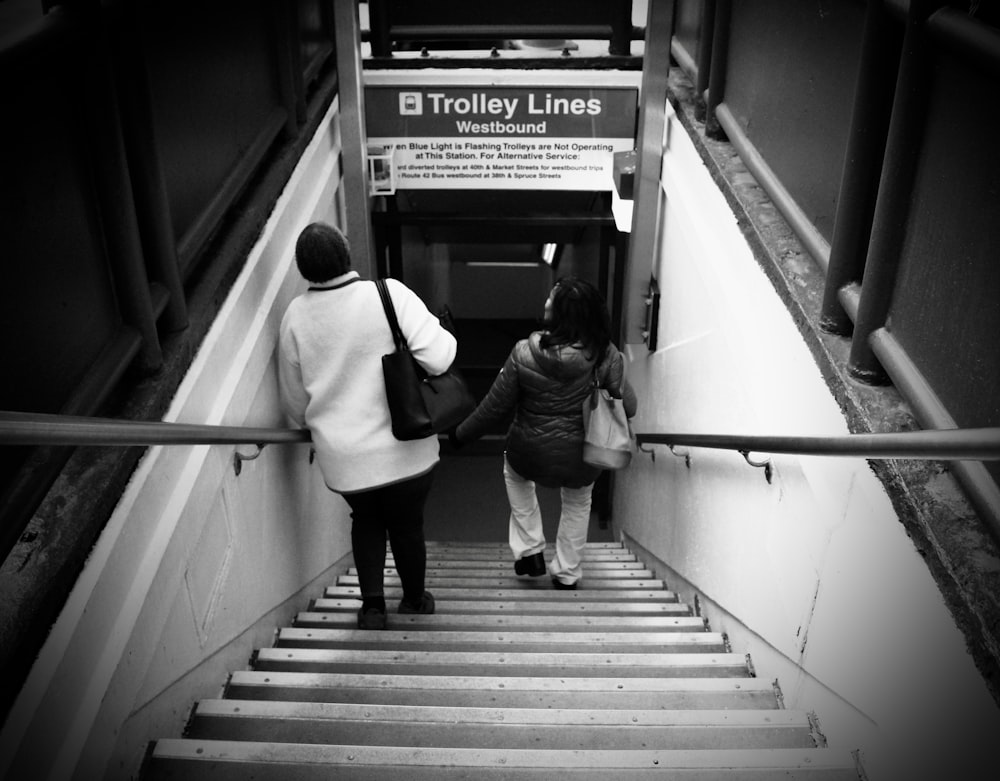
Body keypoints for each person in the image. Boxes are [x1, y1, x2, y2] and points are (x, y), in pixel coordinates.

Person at [277, 221, 457, 629]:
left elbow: (293, 403)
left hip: (345, 459)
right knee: (408, 523)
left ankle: (373, 607)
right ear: (347, 253)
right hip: (406, 447)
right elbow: (440, 359)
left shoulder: (294, 318)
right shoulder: (388, 293)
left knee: (367, 520)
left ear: (304, 268)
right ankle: (413, 600)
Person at [452, 277, 638, 589]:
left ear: (560, 314)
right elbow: (628, 407)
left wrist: (459, 436)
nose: (545, 303)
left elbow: (493, 408)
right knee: (579, 502)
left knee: (515, 476)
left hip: (529, 453)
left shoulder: (523, 353)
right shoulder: (606, 355)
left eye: (551, 299)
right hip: (584, 455)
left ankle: (530, 550)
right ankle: (567, 573)